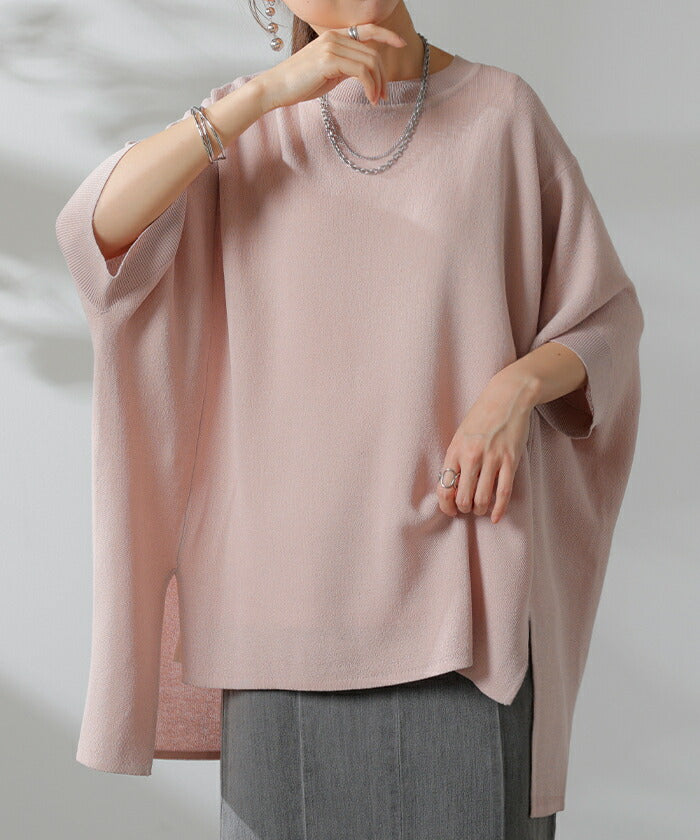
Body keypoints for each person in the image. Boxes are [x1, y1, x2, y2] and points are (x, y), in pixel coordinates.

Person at [55, 1, 644, 838]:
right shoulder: (244, 130)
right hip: (280, 624)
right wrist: (263, 95)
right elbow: (95, 240)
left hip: (461, 618)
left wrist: (516, 387)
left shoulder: (502, 115)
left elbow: (605, 321)